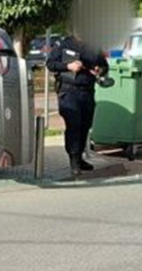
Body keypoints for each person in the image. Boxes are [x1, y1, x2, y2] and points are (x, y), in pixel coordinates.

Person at [46, 32, 110, 176]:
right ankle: (74, 160)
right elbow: (50, 64)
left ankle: (79, 157)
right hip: (68, 91)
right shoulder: (64, 44)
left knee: (85, 125)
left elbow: (104, 66)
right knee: (74, 125)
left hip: (87, 91)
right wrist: (68, 66)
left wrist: (100, 70)